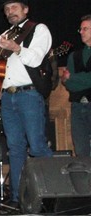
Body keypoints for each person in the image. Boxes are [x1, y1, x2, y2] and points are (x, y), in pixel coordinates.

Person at [0, 0, 53, 207]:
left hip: (29, 95)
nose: (10, 11)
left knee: (37, 145)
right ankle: (17, 199)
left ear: (25, 9)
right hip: (8, 97)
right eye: (7, 9)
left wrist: (17, 48)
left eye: (14, 7)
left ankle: (50, 194)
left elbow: (37, 59)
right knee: (15, 147)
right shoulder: (5, 35)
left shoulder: (38, 29)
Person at [61, 14, 91, 157]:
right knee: (81, 148)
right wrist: (74, 80)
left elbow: (70, 78)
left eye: (85, 29)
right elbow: (69, 85)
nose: (81, 32)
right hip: (78, 106)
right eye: (81, 29)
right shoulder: (74, 56)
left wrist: (72, 77)